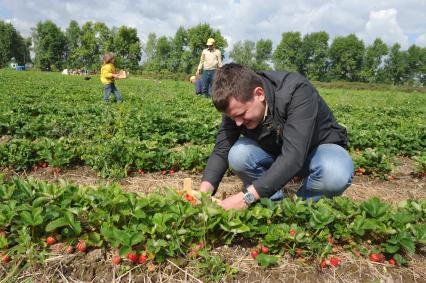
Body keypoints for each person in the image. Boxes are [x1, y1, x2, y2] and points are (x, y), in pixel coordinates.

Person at [199, 63, 354, 210]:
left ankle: (300, 210)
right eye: (233, 118)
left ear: (259, 94)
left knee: (335, 172)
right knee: (238, 154)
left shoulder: (296, 91)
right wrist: (203, 192)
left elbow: (293, 157)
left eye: (241, 115)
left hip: (314, 152)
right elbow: (222, 149)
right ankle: (271, 204)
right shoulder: (235, 104)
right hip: (276, 152)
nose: (237, 123)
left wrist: (245, 198)